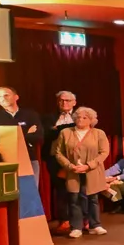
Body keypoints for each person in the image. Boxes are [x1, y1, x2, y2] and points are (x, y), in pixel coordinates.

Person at [51, 106, 110, 239]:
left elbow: (104, 152)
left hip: (92, 171)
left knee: (93, 198)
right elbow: (58, 152)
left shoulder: (99, 133)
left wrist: (89, 166)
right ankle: (76, 227)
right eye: (78, 117)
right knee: (74, 199)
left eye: (85, 117)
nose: (80, 119)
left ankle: (95, 225)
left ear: (91, 120)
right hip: (73, 171)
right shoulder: (65, 132)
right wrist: (69, 166)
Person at [0, 86, 43, 169]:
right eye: (0, 97)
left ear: (16, 97)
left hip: (29, 159)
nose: (3, 98)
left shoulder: (31, 115)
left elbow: (38, 137)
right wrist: (26, 134)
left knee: (29, 182)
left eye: (6, 95)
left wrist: (8, 137)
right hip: (5, 161)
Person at [44, 90, 78, 230]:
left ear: (74, 103)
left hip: (77, 159)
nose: (64, 103)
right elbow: (46, 134)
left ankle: (82, 220)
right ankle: (64, 220)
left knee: (79, 189)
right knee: (61, 189)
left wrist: (58, 128)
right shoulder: (48, 117)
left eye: (68, 100)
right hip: (55, 158)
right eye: (61, 100)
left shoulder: (81, 116)